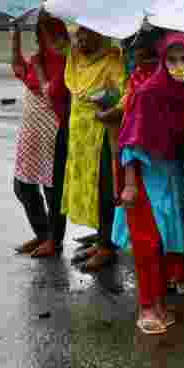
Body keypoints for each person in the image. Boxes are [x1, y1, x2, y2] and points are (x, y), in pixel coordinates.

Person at [112, 33, 184, 334]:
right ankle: (147, 307)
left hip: (175, 176)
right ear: (162, 62)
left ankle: (159, 303)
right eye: (171, 60)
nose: (178, 66)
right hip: (145, 177)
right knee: (147, 244)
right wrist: (130, 185)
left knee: (168, 243)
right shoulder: (149, 93)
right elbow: (129, 143)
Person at [63, 26, 127, 272]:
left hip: (102, 135)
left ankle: (107, 247)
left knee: (105, 189)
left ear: (101, 34)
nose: (79, 40)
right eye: (77, 35)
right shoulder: (76, 59)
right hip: (80, 137)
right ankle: (101, 240)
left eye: (85, 34)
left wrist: (113, 111)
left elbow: (126, 92)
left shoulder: (113, 60)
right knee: (89, 188)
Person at [10, 12, 70, 259]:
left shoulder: (64, 61)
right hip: (32, 133)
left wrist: (36, 67)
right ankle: (43, 232)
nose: (39, 37)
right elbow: (18, 68)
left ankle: (53, 241)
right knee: (22, 185)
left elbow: (52, 93)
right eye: (38, 33)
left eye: (43, 33)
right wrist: (15, 36)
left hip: (54, 130)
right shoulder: (41, 58)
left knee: (52, 188)